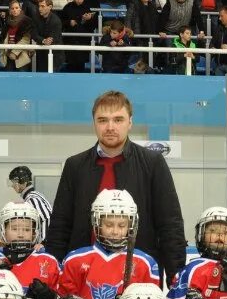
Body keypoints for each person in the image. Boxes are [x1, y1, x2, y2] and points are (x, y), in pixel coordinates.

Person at [44, 90, 187, 282]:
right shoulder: (75, 166)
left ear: (130, 122)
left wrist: (176, 277)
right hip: (83, 279)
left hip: (138, 279)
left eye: (118, 119)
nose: (110, 126)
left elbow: (170, 224)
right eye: (103, 120)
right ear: (94, 123)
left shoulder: (152, 163)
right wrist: (52, 274)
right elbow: (60, 226)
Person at [7, 165, 52, 234]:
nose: (13, 185)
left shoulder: (32, 198)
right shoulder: (32, 196)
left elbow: (46, 218)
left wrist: (43, 242)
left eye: (14, 182)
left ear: (23, 182)